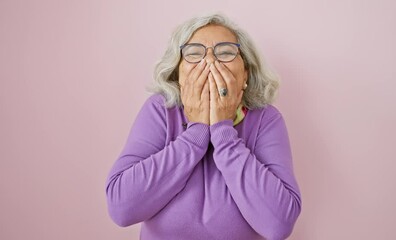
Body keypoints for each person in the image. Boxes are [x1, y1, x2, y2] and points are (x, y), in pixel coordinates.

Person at [105, 13, 301, 240]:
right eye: (194, 54)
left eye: (226, 52)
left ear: (245, 73)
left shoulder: (266, 120)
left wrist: (223, 131)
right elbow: (121, 208)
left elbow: (279, 224)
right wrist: (196, 132)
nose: (210, 63)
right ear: (178, 73)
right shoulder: (160, 110)